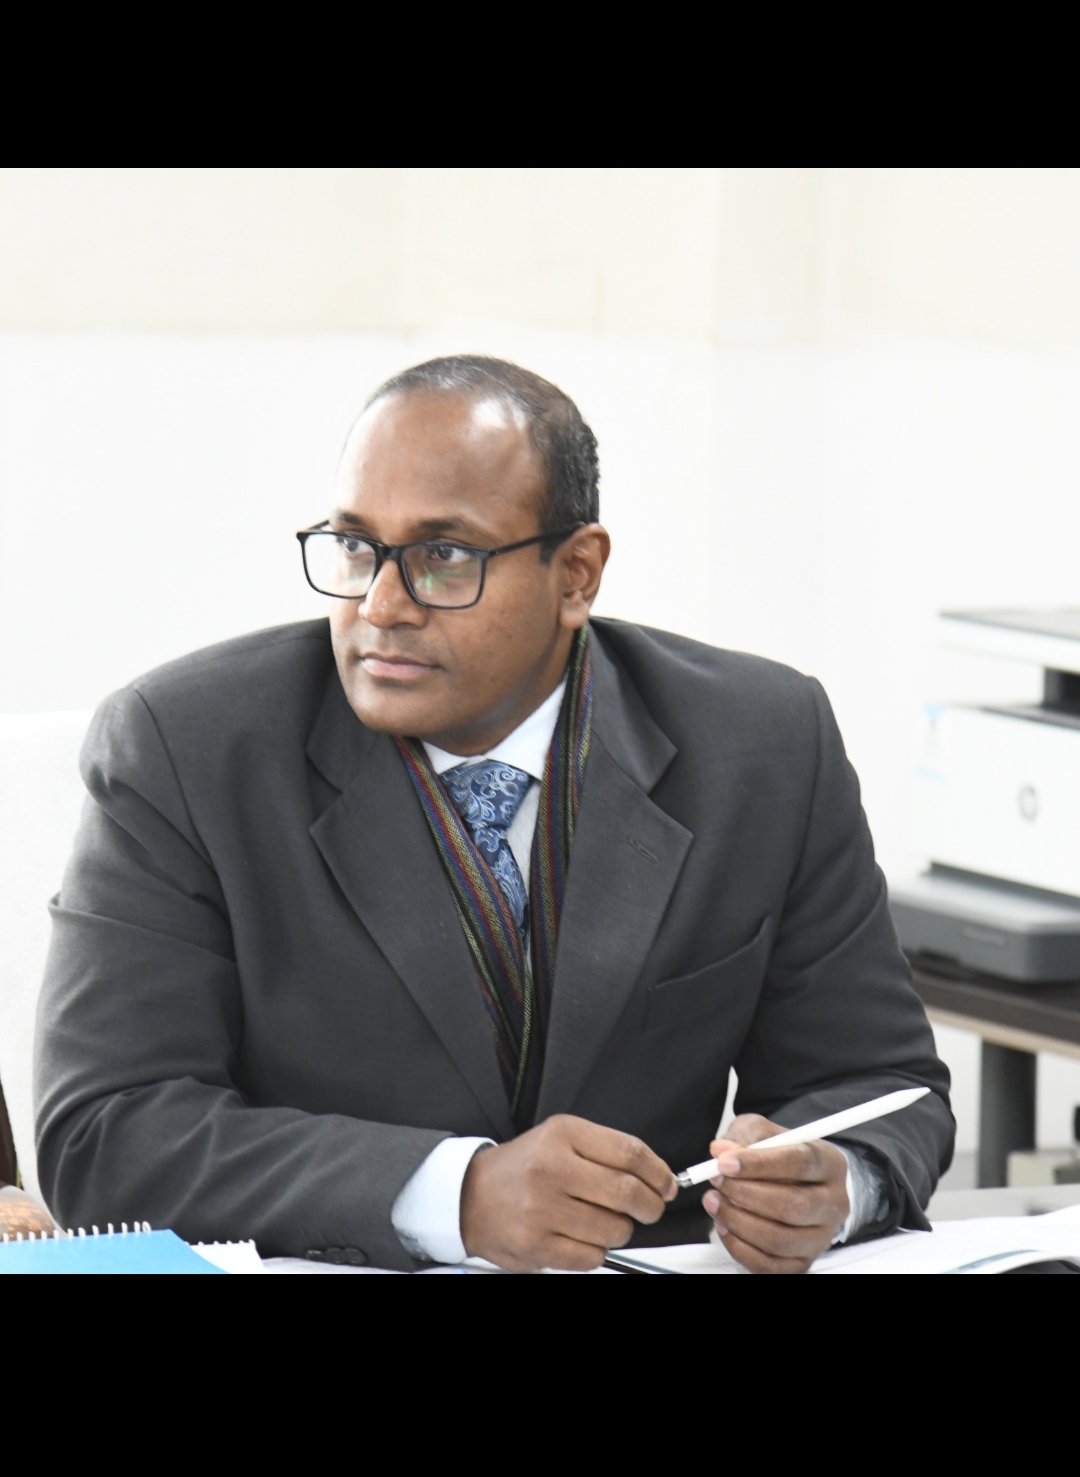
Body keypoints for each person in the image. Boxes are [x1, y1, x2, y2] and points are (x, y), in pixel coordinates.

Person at [36, 356, 954, 1273]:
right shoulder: (182, 748)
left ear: (577, 574)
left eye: (444, 556)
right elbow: (106, 1133)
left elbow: (883, 1082)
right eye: (355, 546)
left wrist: (837, 1184)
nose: (381, 606)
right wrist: (458, 1195)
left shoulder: (762, 743)